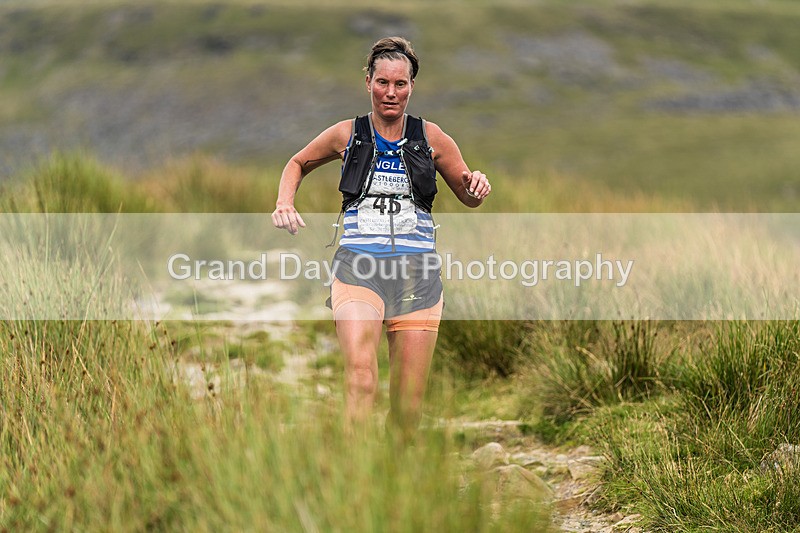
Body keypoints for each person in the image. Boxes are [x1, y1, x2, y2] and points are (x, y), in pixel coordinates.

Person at [272, 36, 491, 444]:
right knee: (360, 378)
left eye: (401, 84)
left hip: (417, 278)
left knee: (407, 410)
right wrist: (285, 201)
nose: (391, 92)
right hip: (359, 270)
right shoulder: (346, 133)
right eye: (383, 82)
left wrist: (476, 186)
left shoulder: (432, 137)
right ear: (368, 82)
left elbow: (467, 193)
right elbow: (297, 162)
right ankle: (353, 483)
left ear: (411, 86)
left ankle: (394, 492)